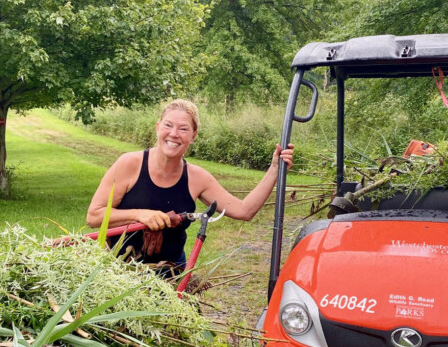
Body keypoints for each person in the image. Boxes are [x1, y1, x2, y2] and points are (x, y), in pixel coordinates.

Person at [86, 99, 294, 266]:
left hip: (170, 275)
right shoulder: (129, 164)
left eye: (183, 129)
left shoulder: (197, 178)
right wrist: (139, 215)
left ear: (193, 136)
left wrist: (274, 169)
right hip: (116, 270)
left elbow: (244, 211)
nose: (174, 133)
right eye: (168, 125)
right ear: (158, 127)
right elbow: (94, 215)